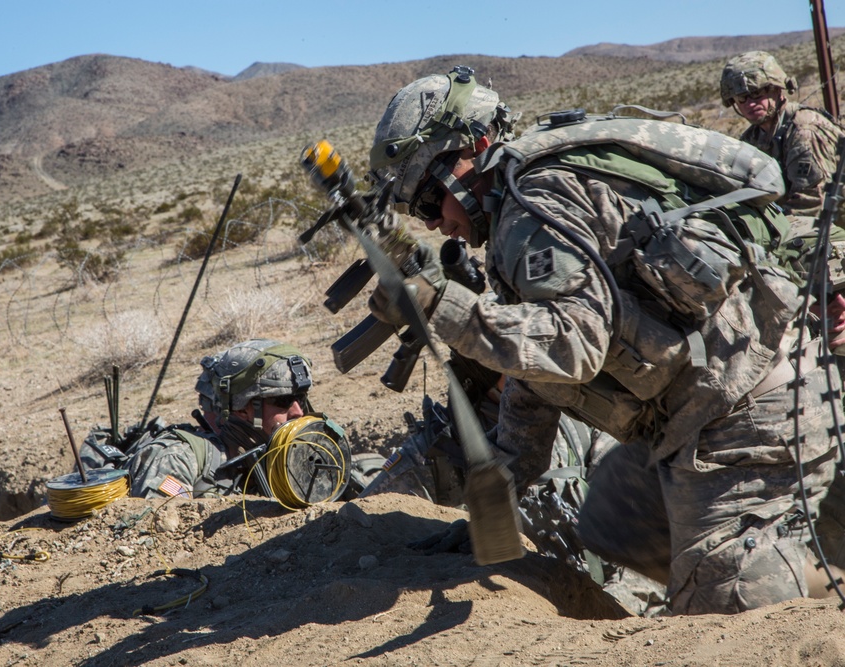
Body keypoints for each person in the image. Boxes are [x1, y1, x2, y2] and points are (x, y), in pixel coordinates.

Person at [365, 66, 842, 615]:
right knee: (614, 522)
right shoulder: (520, 209)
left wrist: (440, 307)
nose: (432, 223)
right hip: (706, 412)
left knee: (727, 609)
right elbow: (535, 383)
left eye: (428, 199)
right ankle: (802, 574)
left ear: (470, 150)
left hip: (748, 407)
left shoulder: (531, 206)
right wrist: (487, 520)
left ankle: (788, 597)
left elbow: (573, 346)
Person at [81, 338, 338, 499]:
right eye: (282, 401)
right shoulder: (178, 458)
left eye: (301, 398)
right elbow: (161, 527)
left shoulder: (308, 451)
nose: (298, 412)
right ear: (241, 408)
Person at [720, 50, 844, 219]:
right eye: (742, 98)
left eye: (756, 93)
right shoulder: (753, 138)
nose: (750, 103)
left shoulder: (804, 131)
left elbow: (810, 206)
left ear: (777, 89)